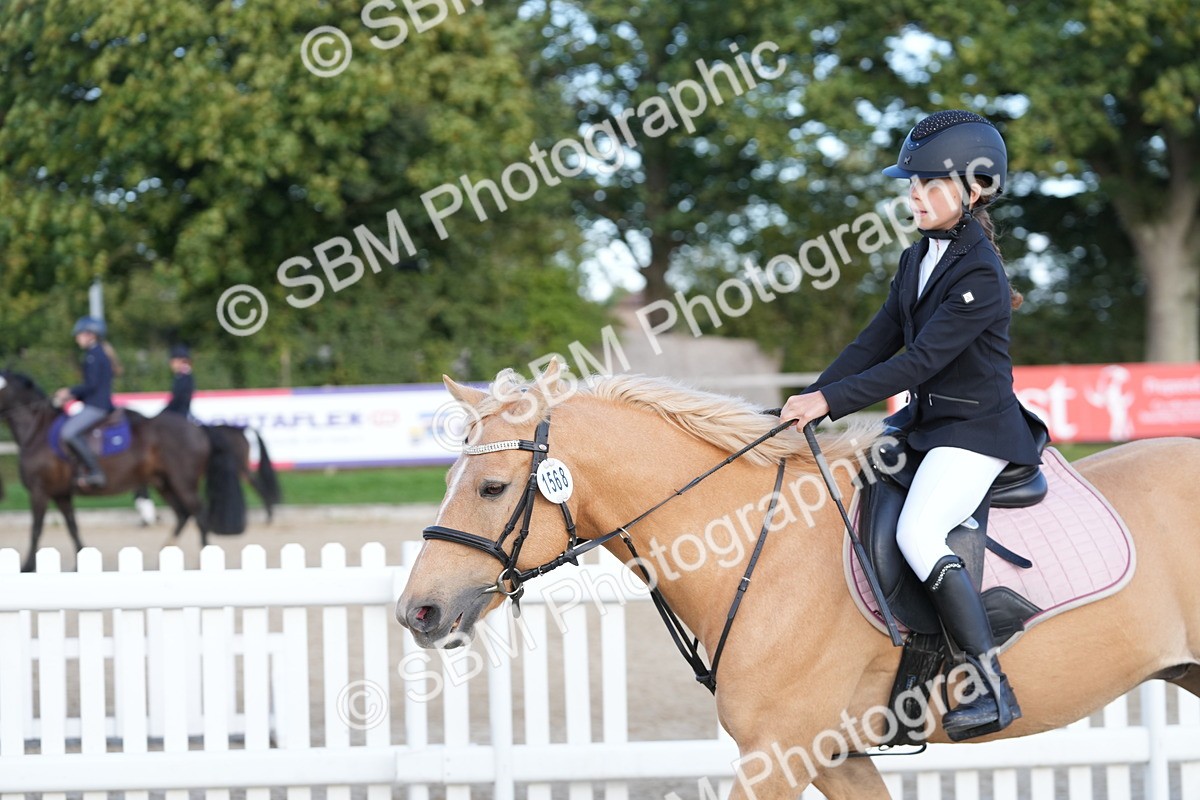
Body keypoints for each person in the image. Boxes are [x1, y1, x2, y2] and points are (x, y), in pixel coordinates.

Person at [780, 110, 1042, 741]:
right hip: (924, 425)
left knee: (922, 532)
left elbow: (919, 361)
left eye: (931, 184)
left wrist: (831, 405)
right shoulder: (916, 258)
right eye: (911, 183)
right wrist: (807, 398)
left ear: (974, 191)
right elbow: (876, 341)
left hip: (974, 433)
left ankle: (989, 684)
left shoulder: (981, 270)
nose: (915, 195)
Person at [134, 344, 195, 524]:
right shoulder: (182, 376)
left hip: (178, 419)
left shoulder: (184, 377)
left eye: (174, 360)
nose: (172, 364)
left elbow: (178, 402)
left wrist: (161, 416)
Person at [54, 316, 115, 489]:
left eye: (79, 334)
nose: (77, 338)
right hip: (93, 402)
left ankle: (96, 472)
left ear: (91, 335)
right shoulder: (93, 354)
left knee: (68, 432)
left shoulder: (94, 355)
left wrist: (69, 392)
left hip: (97, 406)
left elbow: (92, 385)